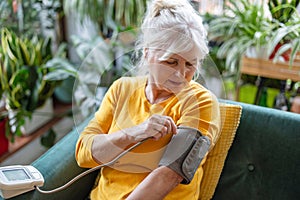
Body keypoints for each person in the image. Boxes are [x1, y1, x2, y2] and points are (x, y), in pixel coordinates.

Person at [75, 0, 221, 199]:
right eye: (171, 62)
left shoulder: (200, 102)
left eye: (190, 64)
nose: (180, 74)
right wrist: (135, 132)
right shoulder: (121, 89)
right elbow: (84, 153)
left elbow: (171, 174)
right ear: (147, 53)